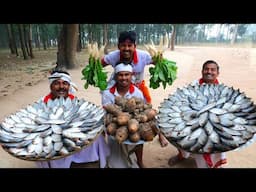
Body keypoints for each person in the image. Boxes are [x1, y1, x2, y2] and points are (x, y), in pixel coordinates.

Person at [101, 30, 169, 166]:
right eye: (123, 45)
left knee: (148, 113)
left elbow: (157, 61)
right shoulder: (114, 56)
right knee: (107, 114)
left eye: (129, 45)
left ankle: (159, 135)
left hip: (137, 88)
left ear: (134, 46)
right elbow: (100, 63)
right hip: (117, 84)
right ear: (119, 46)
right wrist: (95, 71)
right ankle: (105, 148)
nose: (126, 48)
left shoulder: (143, 56)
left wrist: (160, 62)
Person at [36, 70, 110, 168]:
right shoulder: (42, 104)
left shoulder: (75, 101)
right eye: (57, 83)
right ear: (51, 86)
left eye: (65, 83)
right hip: (54, 138)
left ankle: (91, 160)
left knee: (97, 136)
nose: (61, 87)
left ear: (69, 86)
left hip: (75, 137)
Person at [168, 60, 227, 168]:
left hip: (214, 124)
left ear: (218, 73)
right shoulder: (193, 86)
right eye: (206, 69)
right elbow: (182, 103)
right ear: (202, 71)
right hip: (193, 122)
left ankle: (213, 163)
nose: (209, 72)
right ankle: (182, 155)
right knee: (175, 129)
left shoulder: (223, 90)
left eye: (212, 70)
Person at [102, 63, 146, 168]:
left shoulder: (138, 93)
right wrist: (119, 117)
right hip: (114, 127)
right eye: (120, 75)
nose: (124, 78)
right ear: (116, 76)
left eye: (127, 75)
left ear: (131, 76)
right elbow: (107, 113)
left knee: (138, 135)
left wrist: (134, 119)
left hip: (134, 125)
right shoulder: (107, 93)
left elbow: (141, 111)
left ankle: (139, 161)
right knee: (116, 163)